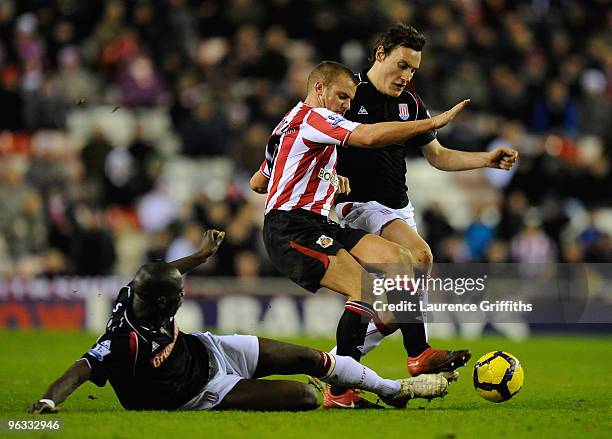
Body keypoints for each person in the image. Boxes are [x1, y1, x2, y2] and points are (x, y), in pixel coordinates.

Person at [29, 229, 452, 413]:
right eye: (178, 297)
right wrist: (48, 402)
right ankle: (367, 389)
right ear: (159, 304)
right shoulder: (124, 340)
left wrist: (199, 255)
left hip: (207, 349)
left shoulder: (135, 292)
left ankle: (394, 389)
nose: (183, 295)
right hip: (198, 392)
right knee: (305, 398)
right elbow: (79, 370)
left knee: (311, 357)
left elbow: (168, 271)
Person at [249, 61, 470, 408]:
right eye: (341, 97)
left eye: (350, 100)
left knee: (399, 259)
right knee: (362, 288)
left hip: (319, 223)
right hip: (291, 227)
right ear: (319, 88)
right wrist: (432, 123)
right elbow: (366, 136)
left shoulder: (285, 126)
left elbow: (258, 182)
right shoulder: (314, 117)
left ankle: (418, 353)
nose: (345, 106)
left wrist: (325, 179)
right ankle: (340, 391)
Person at [329, 24, 518, 401]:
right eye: (401, 65)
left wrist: (487, 159)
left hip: (399, 208)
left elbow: (438, 157)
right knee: (419, 256)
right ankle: (418, 354)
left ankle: (338, 374)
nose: (406, 76)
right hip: (358, 206)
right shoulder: (350, 94)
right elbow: (319, 139)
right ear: (380, 53)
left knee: (396, 308)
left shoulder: (410, 103)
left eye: (413, 70)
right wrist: (330, 176)